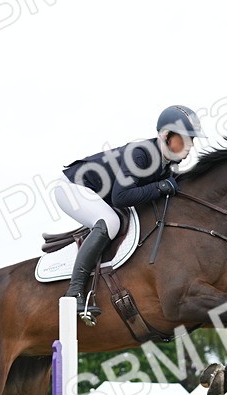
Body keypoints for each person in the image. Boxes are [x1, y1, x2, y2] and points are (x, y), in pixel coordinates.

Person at [55, 105, 205, 324]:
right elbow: (121, 198)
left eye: (192, 140)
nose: (190, 146)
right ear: (165, 135)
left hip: (95, 192)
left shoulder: (165, 164)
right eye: (184, 139)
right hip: (72, 187)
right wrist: (162, 187)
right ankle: (74, 292)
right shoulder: (141, 154)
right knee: (110, 222)